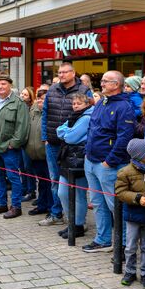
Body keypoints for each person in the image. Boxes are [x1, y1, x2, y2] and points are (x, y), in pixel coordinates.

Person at [83, 70, 135, 252]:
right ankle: (103, 239)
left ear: (117, 84)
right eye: (103, 80)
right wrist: (87, 153)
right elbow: (92, 128)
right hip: (91, 161)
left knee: (115, 206)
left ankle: (122, 244)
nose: (102, 83)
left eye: (106, 81)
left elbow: (124, 137)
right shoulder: (101, 103)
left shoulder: (124, 107)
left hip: (108, 165)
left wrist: (109, 161)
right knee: (98, 203)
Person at [41, 62, 90, 227]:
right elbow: (45, 113)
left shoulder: (83, 90)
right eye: (59, 72)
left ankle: (76, 220)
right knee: (55, 180)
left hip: (75, 147)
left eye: (65, 72)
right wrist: (45, 137)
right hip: (53, 142)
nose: (61, 75)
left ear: (73, 73)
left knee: (75, 186)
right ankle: (57, 213)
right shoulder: (52, 89)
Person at [115, 138, 145, 289]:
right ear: (140, 155)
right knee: (130, 246)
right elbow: (120, 192)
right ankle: (129, 271)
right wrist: (136, 198)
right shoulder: (125, 172)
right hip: (133, 215)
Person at [0, 74, 30, 219]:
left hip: (8, 148)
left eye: (4, 84)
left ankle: (16, 207)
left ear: (10, 85)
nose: (1, 86)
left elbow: (22, 127)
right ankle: (2, 203)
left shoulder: (18, 103)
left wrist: (13, 144)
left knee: (13, 176)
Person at [54, 92, 92, 238]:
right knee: (62, 193)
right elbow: (59, 130)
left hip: (79, 159)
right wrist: (68, 132)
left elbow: (70, 137)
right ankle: (71, 222)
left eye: (79, 104)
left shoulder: (87, 117)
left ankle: (78, 225)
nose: (75, 106)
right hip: (67, 159)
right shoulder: (73, 117)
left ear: (87, 104)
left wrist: (68, 133)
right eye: (74, 103)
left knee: (79, 194)